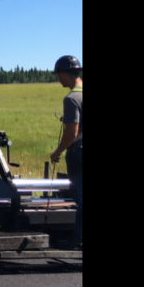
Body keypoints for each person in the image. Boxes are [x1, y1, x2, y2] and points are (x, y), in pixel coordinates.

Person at [50, 55, 83, 249]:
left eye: (58, 75)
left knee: (80, 197)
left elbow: (72, 133)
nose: (58, 79)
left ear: (63, 73)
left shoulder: (71, 99)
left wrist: (57, 152)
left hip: (79, 152)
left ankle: (78, 239)